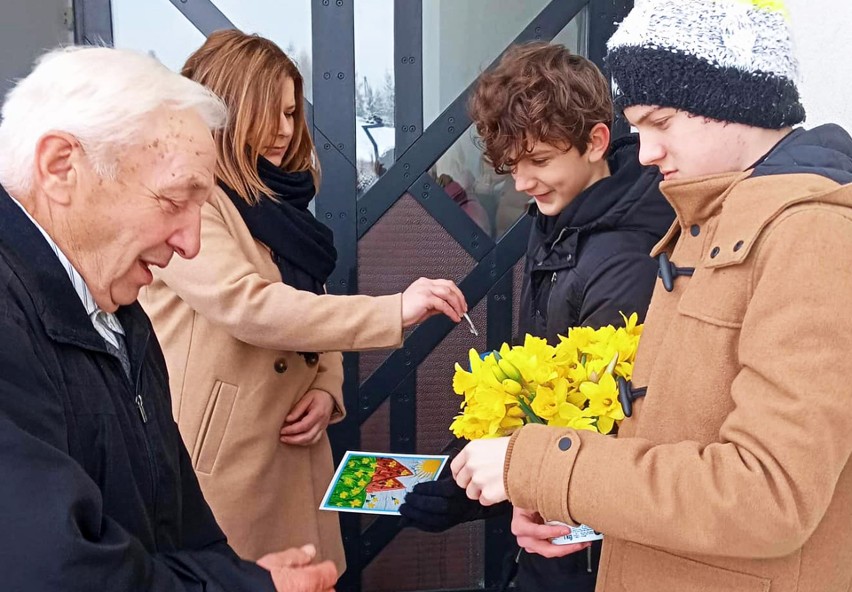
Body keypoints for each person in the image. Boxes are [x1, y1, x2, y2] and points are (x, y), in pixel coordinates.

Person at [450, 1, 852, 591]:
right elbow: (668, 436)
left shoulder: (812, 234)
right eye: (639, 129)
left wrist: (539, 464)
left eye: (660, 123)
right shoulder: (702, 218)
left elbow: (768, 492)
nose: (645, 153)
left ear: (735, 102)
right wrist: (564, 502)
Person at [0, 46, 336, 592]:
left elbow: (179, 524)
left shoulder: (119, 313)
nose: (190, 241)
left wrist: (241, 577)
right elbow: (57, 571)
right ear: (62, 167)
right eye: (174, 200)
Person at [138, 29, 468, 576]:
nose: (284, 130)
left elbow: (309, 305)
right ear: (226, 110)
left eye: (292, 113)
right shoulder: (188, 198)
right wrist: (393, 310)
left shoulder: (279, 205)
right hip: (222, 465)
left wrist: (326, 387)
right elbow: (250, 306)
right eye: (269, 113)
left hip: (293, 448)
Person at [399, 42, 673, 591]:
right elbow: (534, 374)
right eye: (512, 166)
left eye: (540, 161)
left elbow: (594, 421)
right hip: (550, 520)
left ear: (596, 141)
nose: (522, 182)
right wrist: (467, 468)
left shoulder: (623, 256)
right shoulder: (561, 220)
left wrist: (474, 488)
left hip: (584, 546)